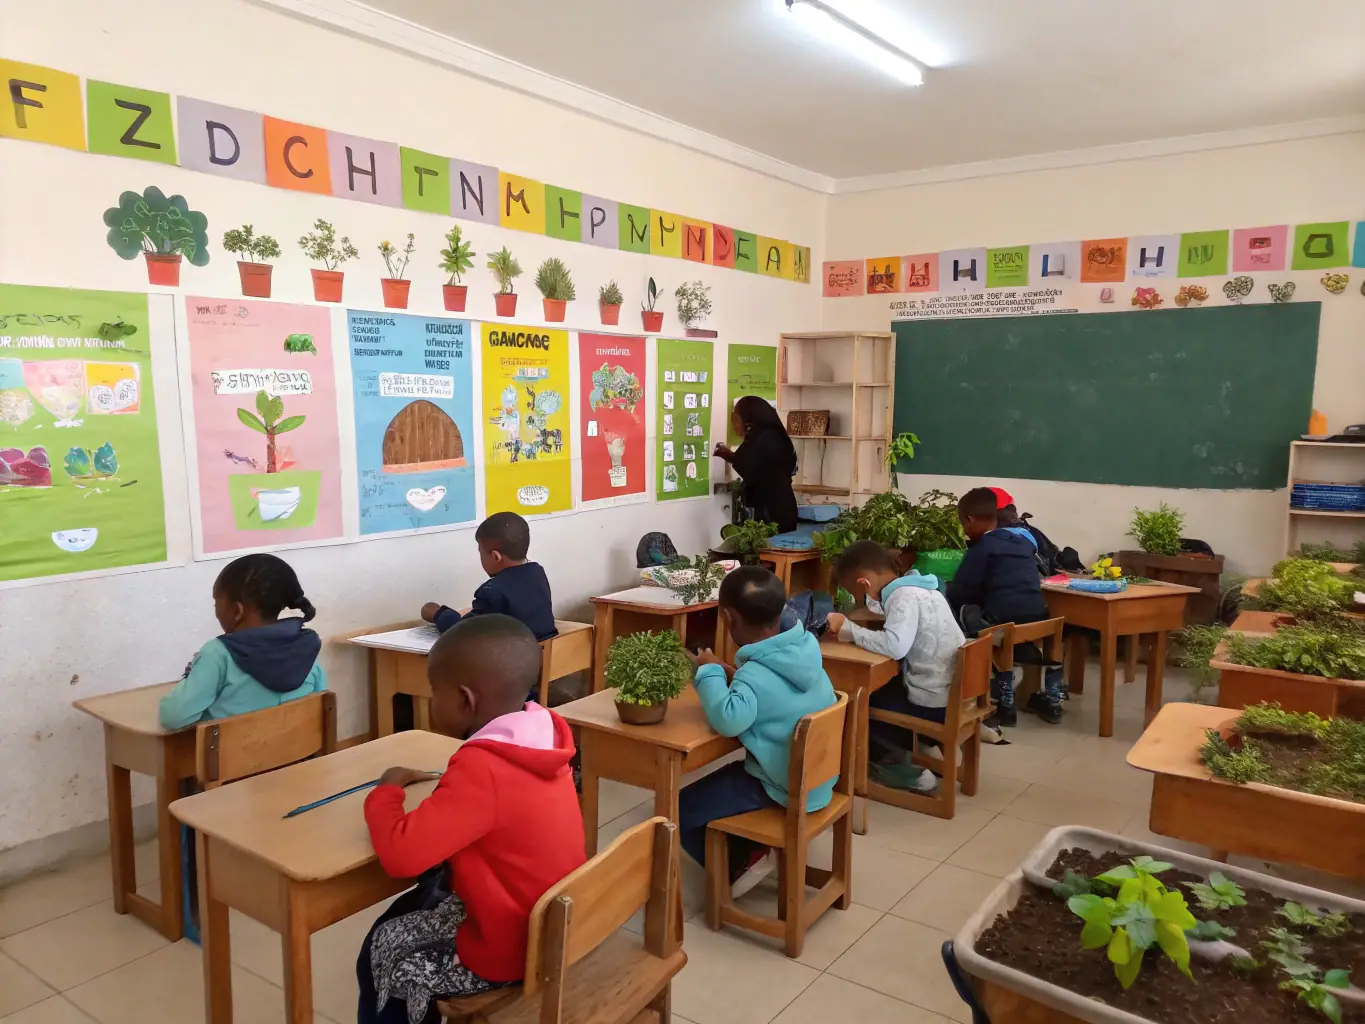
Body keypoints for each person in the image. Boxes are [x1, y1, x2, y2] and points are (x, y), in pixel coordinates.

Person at [359, 615, 585, 1024]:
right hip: (551, 923)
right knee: (413, 906)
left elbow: (400, 857)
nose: (430, 700)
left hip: (510, 948)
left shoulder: (482, 768)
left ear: (465, 700)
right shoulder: (545, 733)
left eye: (433, 692)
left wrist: (386, 791)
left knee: (382, 949)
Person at [679, 566, 837, 898]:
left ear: (727, 617)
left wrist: (709, 672)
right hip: (819, 779)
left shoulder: (754, 676)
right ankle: (749, 846)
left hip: (782, 787)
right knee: (723, 782)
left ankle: (741, 863)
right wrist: (730, 672)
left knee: (681, 806)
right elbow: (771, 690)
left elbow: (728, 719)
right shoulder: (803, 650)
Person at [825, 541, 964, 794]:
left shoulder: (902, 598)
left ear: (863, 583)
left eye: (855, 593)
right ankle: (926, 746)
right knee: (886, 687)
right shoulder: (922, 588)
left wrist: (848, 629)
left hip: (932, 702)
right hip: (953, 694)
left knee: (860, 702)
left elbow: (895, 646)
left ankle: (908, 773)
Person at [158, 553, 326, 730]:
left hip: (229, 758)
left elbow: (172, 716)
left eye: (217, 604)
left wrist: (191, 676)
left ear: (237, 611)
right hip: (298, 756)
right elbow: (320, 704)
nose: (216, 611)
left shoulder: (217, 655)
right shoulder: (305, 647)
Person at [947, 487, 1062, 725]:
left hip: (1004, 622)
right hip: (1039, 618)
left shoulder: (981, 549)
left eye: (963, 524)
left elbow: (960, 591)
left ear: (969, 520)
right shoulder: (1023, 542)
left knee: (962, 610)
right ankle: (1048, 698)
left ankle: (995, 693)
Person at [421, 511, 557, 642]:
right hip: (543, 656)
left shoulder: (492, 592)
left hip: (508, 661)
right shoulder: (537, 573)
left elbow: (460, 630)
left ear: (495, 556)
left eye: (481, 552)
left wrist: (437, 613)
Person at [713, 395, 798, 533]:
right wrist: (732, 457)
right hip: (777, 509)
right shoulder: (771, 435)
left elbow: (750, 466)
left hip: (774, 513)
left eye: (735, 420)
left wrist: (729, 456)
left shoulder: (766, 437)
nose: (734, 426)